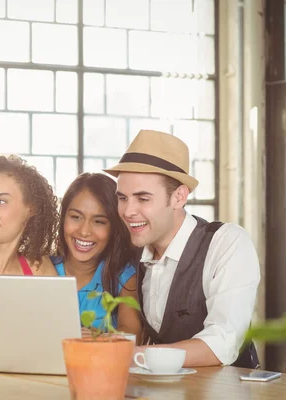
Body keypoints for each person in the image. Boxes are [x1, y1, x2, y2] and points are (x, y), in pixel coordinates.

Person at [104, 129, 260, 368]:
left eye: (143, 199)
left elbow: (223, 342)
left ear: (179, 197)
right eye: (123, 198)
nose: (127, 211)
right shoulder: (135, 250)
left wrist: (131, 355)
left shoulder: (227, 243)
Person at [52, 173, 141, 338]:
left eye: (99, 221)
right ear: (63, 219)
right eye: (76, 217)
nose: (84, 231)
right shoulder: (43, 269)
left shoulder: (124, 276)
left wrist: (97, 338)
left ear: (114, 228)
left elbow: (132, 334)